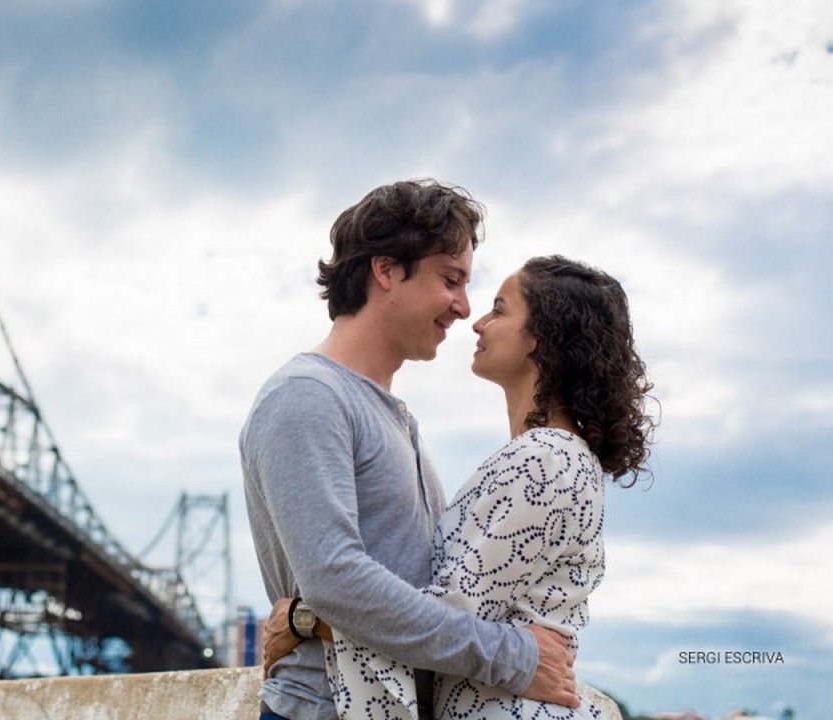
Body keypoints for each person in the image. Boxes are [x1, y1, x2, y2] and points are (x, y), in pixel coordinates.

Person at [240, 180, 579, 720]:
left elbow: (421, 584)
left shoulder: (393, 417)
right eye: (450, 280)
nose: (463, 308)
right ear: (387, 270)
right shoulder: (307, 396)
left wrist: (303, 618)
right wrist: (512, 656)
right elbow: (337, 581)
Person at [265, 254, 656, 719]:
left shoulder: (543, 459)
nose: (477, 321)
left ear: (541, 338)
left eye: (499, 310)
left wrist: (305, 620)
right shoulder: (558, 456)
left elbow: (452, 616)